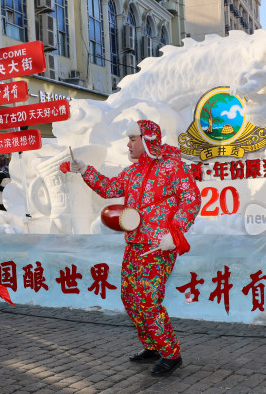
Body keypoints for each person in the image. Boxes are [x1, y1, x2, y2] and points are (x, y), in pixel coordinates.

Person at [69, 120, 201, 376]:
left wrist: (174, 233)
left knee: (147, 301)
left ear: (147, 140)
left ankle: (171, 353)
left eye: (132, 139)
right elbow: (109, 188)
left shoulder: (171, 167)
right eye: (128, 139)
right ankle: (152, 345)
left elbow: (191, 198)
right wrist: (85, 170)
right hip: (135, 244)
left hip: (158, 246)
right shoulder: (133, 172)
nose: (128, 144)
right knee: (130, 298)